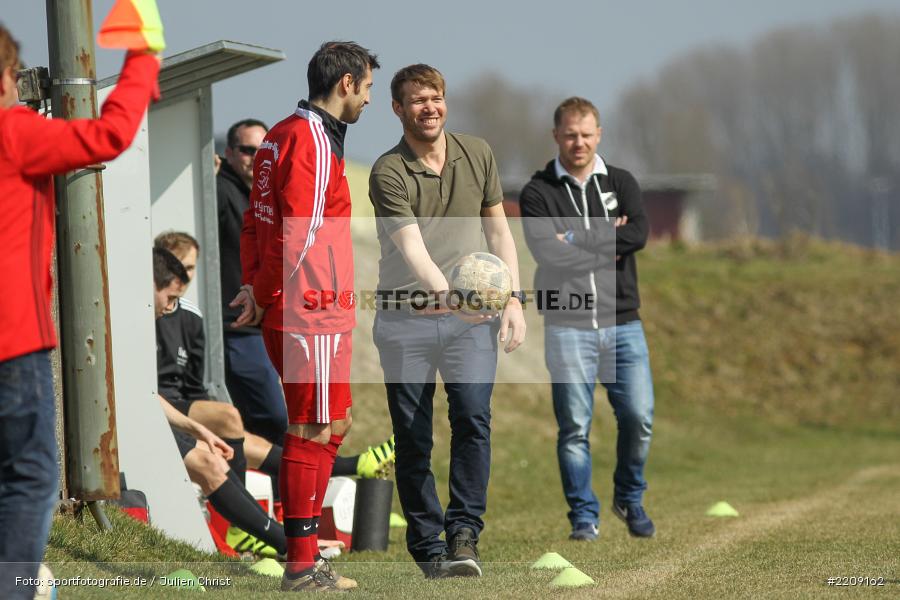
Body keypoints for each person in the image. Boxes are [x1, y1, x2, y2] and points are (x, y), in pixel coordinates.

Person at [0, 23, 159, 599]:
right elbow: (109, 135)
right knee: (32, 477)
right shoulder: (14, 131)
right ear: (8, 78)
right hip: (12, 343)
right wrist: (143, 57)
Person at [368, 64, 526, 579]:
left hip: (469, 320)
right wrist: (451, 292)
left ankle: (464, 536)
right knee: (413, 436)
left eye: (435, 97)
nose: (428, 107)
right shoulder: (387, 171)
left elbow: (499, 234)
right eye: (417, 100)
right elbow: (410, 246)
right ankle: (427, 545)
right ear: (398, 109)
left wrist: (513, 299)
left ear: (446, 101)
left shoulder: (476, 152)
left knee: (473, 418)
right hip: (406, 319)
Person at [232, 41, 379, 593]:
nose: (367, 100)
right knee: (311, 428)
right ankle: (301, 561)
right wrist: (266, 292)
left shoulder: (276, 135)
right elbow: (298, 233)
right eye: (366, 88)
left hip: (309, 308)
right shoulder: (311, 140)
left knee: (332, 424)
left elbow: (254, 220)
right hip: (308, 308)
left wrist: (253, 286)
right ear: (346, 84)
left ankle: (307, 550)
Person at [518, 97, 656, 541]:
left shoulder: (622, 180)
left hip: (623, 322)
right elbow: (546, 251)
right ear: (556, 135)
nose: (579, 142)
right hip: (567, 324)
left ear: (599, 135)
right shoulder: (538, 191)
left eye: (587, 134)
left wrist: (576, 235)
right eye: (571, 134)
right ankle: (583, 517)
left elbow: (638, 234)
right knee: (575, 427)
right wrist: (606, 236)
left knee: (639, 417)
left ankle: (629, 498)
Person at [152, 248, 287, 557]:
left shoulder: (186, 317)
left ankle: (267, 537)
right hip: (144, 418)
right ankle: (281, 543)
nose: (173, 304)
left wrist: (199, 430)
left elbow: (183, 388)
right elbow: (146, 394)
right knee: (217, 448)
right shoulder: (136, 320)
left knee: (230, 439)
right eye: (169, 297)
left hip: (171, 408)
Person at [217, 118, 289, 445]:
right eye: (247, 150)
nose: (255, 157)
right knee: (274, 417)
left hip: (270, 324)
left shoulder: (267, 197)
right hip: (236, 327)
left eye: (263, 151)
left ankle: (271, 489)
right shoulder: (218, 189)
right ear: (229, 153)